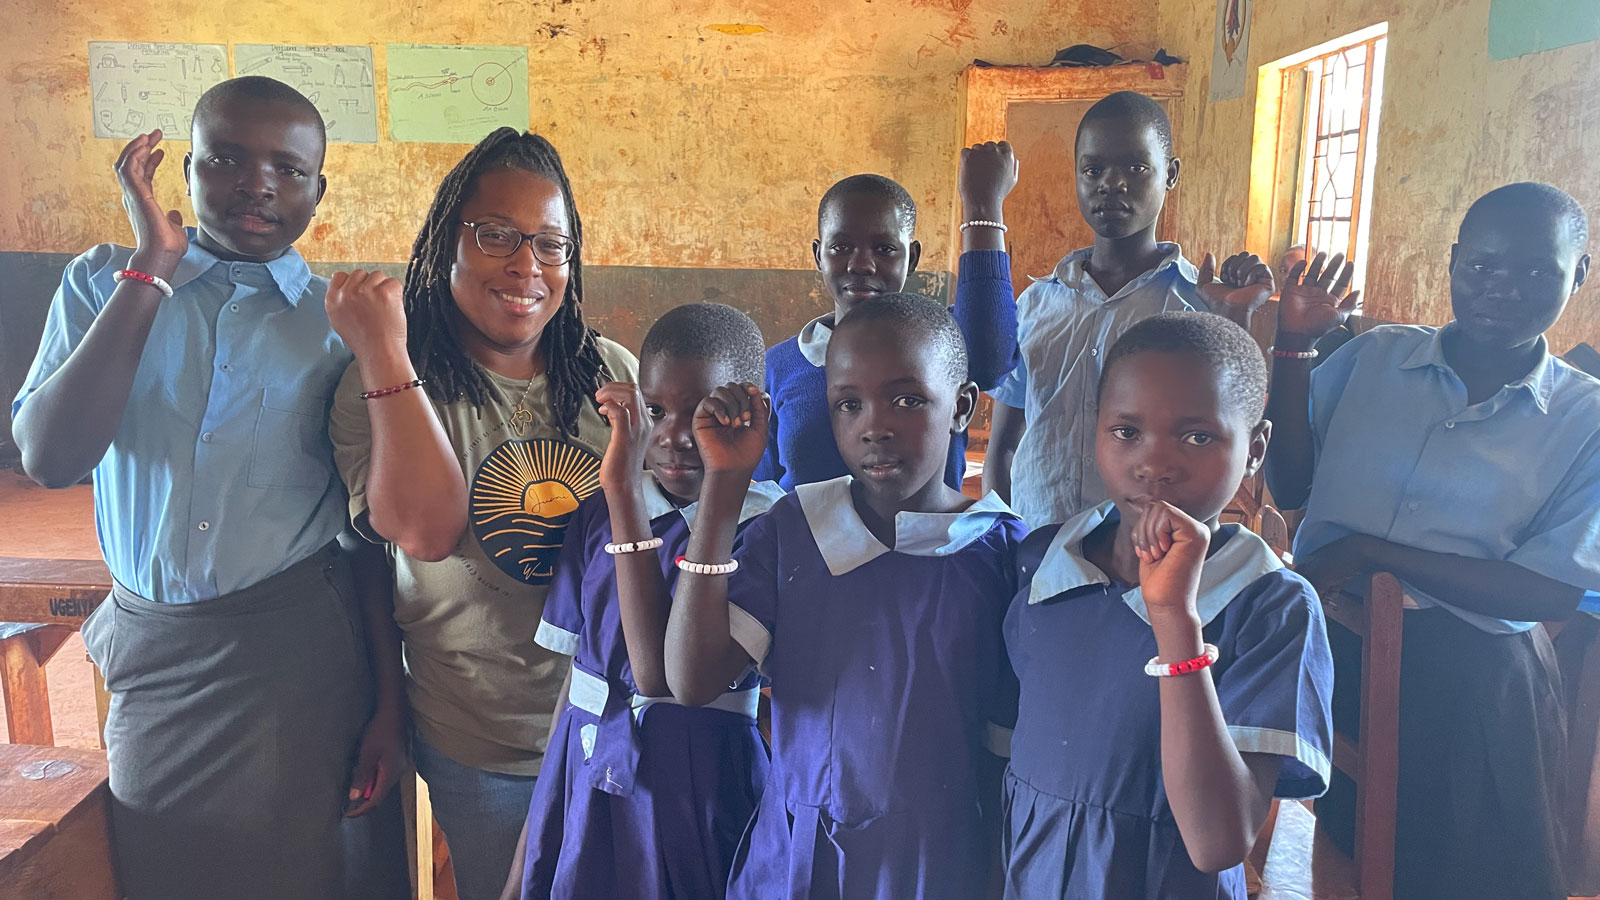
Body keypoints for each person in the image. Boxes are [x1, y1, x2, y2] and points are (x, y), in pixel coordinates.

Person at [11, 77, 406, 899]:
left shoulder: (339, 323)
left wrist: (389, 707)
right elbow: (52, 457)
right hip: (155, 656)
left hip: (295, 662)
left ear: (318, 189)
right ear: (186, 171)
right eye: (226, 157)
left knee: (313, 874)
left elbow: (370, 538)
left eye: (286, 168)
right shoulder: (101, 282)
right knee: (165, 866)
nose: (257, 183)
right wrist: (151, 273)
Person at [1265, 183, 1598, 900]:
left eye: (1537, 271)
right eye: (1481, 267)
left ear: (1580, 274)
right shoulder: (1376, 359)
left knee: (1466, 871)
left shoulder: (1586, 419)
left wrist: (1371, 552)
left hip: (1472, 681)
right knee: (1352, 854)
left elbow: (1547, 589)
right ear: (1451, 263)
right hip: (1337, 647)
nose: (1502, 290)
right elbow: (1291, 484)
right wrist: (1291, 344)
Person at [328, 128, 637, 900]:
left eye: (550, 243)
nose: (526, 265)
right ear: (445, 244)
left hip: (612, 728)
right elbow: (424, 535)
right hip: (483, 742)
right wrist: (387, 354)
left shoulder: (612, 373)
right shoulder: (385, 380)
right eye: (496, 234)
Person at [666, 293, 1027, 899]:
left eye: (907, 399)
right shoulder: (795, 529)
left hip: (939, 864)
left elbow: (1006, 747)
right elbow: (692, 679)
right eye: (848, 404)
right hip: (799, 858)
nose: (874, 425)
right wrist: (723, 489)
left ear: (962, 405)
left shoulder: (998, 553)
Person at [1003, 312, 1333, 898]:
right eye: (1126, 431)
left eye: (1197, 435)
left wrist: (1175, 620)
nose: (1154, 464)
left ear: (1255, 449)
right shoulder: (1042, 564)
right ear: (1096, 430)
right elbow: (1004, 757)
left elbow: (1217, 841)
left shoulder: (1269, 606)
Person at [511, 302, 780, 900]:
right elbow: (577, 680)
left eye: (707, 412)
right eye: (656, 410)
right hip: (582, 768)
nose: (677, 435)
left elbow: (664, 680)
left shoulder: (765, 531)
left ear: (753, 413)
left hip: (699, 780)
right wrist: (528, 852)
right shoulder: (594, 516)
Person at [984, 91, 1273, 527]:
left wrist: (1235, 321)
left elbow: (1226, 446)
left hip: (1151, 555)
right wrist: (1002, 539)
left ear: (1171, 174)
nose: (1111, 184)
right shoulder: (1037, 304)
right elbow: (1004, 446)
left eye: (1136, 168)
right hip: (1039, 552)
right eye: (1093, 169)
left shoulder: (1198, 305)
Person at [755, 142, 1020, 490]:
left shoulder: (939, 347)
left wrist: (982, 206)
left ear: (912, 258)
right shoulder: (780, 367)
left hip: (923, 543)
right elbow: (763, 489)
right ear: (818, 255)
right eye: (841, 247)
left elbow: (990, 360)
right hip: (805, 545)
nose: (861, 264)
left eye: (885, 249)